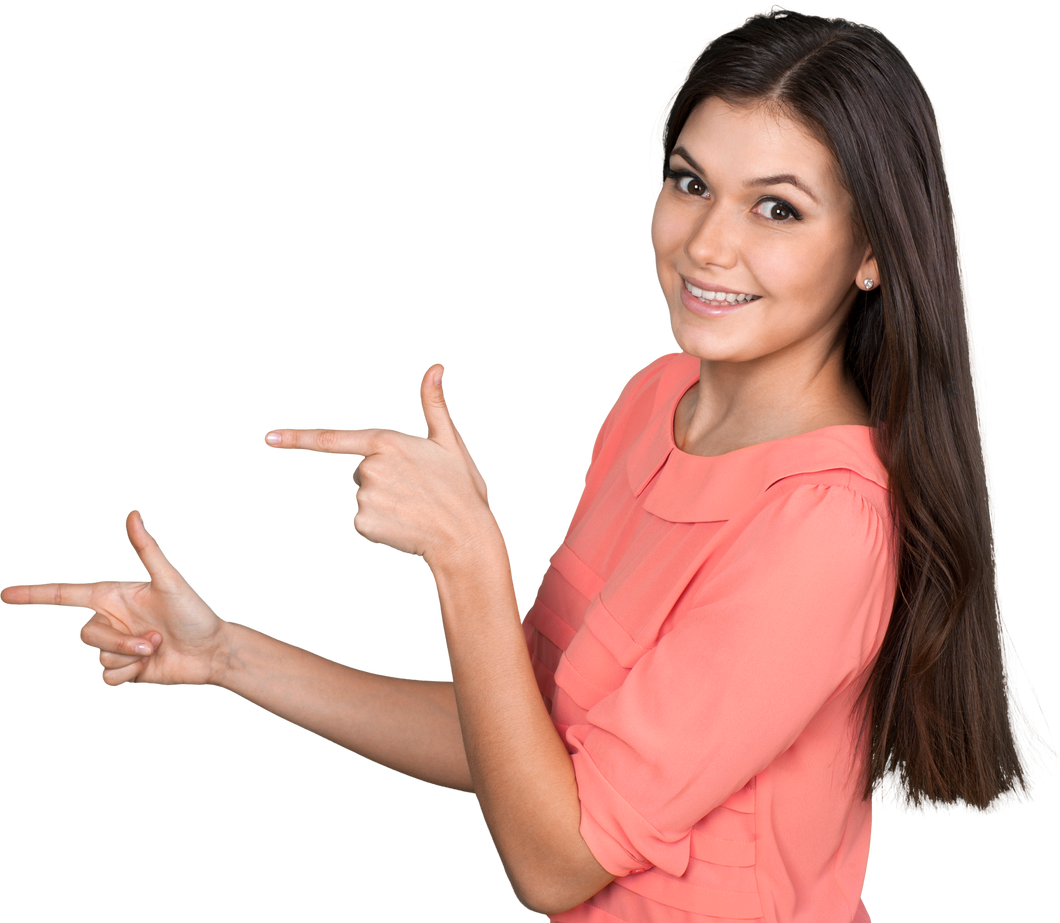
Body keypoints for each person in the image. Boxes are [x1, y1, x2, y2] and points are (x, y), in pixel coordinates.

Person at [4, 6, 1056, 921]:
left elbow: (553, 862)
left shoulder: (827, 521)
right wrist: (230, 653)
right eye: (690, 183)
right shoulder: (654, 399)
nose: (706, 246)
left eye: (776, 207)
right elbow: (526, 748)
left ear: (872, 252)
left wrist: (467, 556)